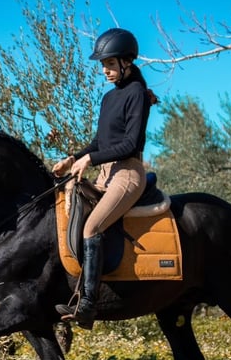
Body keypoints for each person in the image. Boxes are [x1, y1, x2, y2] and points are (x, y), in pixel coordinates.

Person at [52, 28, 155, 330]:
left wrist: (90, 160)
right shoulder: (109, 97)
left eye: (110, 64)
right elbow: (100, 142)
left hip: (127, 173)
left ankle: (87, 305)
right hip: (107, 173)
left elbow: (130, 144)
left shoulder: (137, 94)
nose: (105, 70)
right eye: (103, 65)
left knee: (92, 226)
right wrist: (73, 158)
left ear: (127, 62)